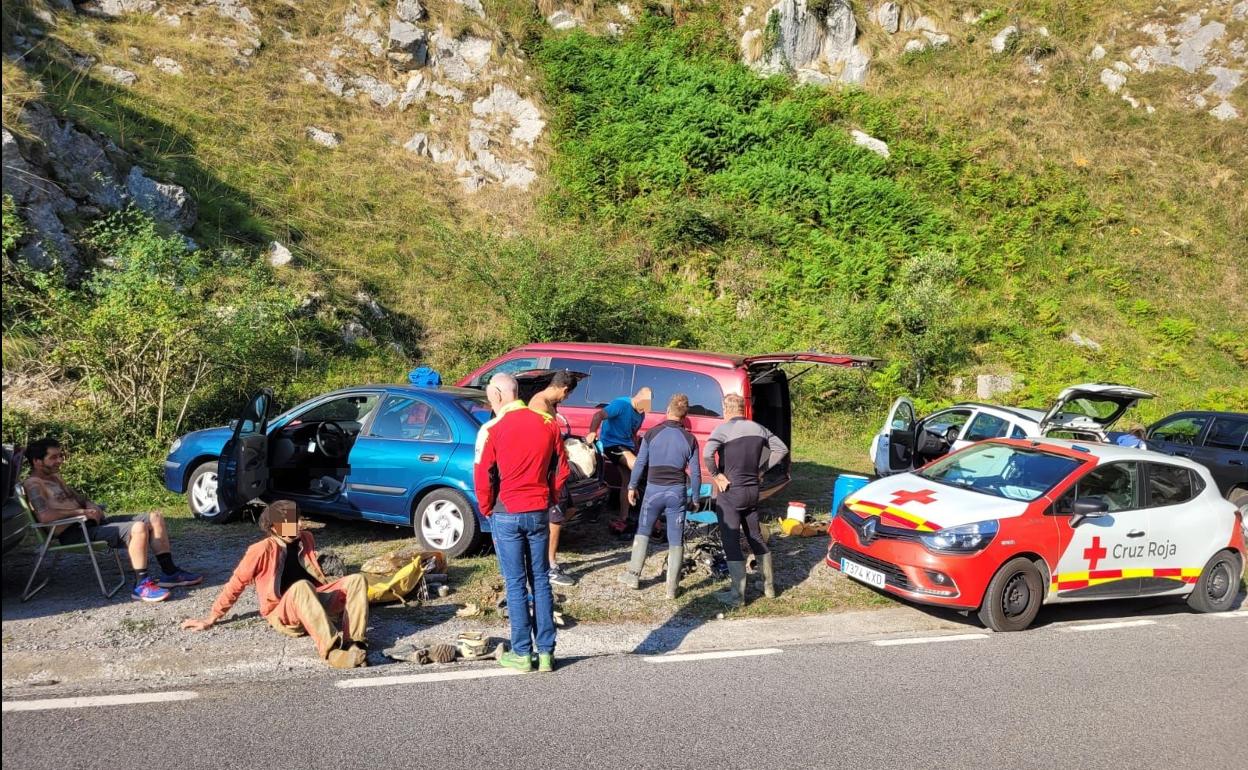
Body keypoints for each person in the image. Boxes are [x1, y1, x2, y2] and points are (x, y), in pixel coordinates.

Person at [181, 500, 369, 669]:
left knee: (357, 579)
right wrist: (211, 617)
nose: (299, 524)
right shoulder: (260, 550)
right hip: (283, 612)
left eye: (298, 519)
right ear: (274, 527)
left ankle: (354, 645)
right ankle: (332, 652)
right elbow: (236, 583)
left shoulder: (307, 538)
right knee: (301, 586)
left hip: (313, 602)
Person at [21, 437, 201, 603]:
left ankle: (169, 573)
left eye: (60, 456)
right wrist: (80, 512)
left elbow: (79, 497)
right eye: (53, 457)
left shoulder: (55, 477)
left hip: (90, 524)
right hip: (74, 532)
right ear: (37, 461)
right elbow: (45, 516)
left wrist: (91, 506)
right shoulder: (33, 484)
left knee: (155, 517)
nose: (60, 460)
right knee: (138, 528)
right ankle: (141, 585)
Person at [474, 374, 568, 673]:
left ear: (499, 394)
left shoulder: (491, 428)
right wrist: (550, 497)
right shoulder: (547, 423)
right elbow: (562, 469)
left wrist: (487, 508)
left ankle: (521, 653)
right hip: (539, 509)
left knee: (515, 584)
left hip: (506, 512)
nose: (490, 402)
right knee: (540, 580)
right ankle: (546, 654)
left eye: (490, 397)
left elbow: (482, 475)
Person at [702, 394, 788, 607]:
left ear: (726, 408)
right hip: (752, 490)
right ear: (743, 408)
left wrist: (717, 475)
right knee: (755, 535)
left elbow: (707, 454)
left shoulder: (723, 430)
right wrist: (762, 469)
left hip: (731, 491)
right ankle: (768, 587)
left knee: (730, 540)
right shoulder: (758, 428)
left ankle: (737, 596)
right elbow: (782, 449)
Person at [620, 394, 701, 599]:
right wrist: (697, 498)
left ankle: (633, 576)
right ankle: (671, 588)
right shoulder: (690, 439)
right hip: (676, 493)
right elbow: (696, 472)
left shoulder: (652, 434)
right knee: (676, 539)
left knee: (643, 530)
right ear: (684, 415)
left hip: (653, 491)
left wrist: (632, 486)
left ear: (667, 410)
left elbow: (639, 463)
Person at [529, 370, 581, 588]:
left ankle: (543, 558)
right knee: (556, 518)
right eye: (567, 395)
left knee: (568, 508)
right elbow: (539, 440)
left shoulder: (550, 405)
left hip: (556, 468)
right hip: (546, 471)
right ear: (564, 389)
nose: (565, 399)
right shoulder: (539, 405)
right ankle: (549, 566)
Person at [585, 387, 652, 534]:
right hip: (612, 444)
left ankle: (623, 517)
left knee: (627, 481)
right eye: (643, 405)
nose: (643, 411)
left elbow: (633, 434)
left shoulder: (641, 414)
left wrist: (636, 449)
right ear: (637, 398)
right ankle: (650, 507)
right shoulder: (621, 404)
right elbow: (598, 415)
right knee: (638, 467)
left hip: (626, 446)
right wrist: (591, 433)